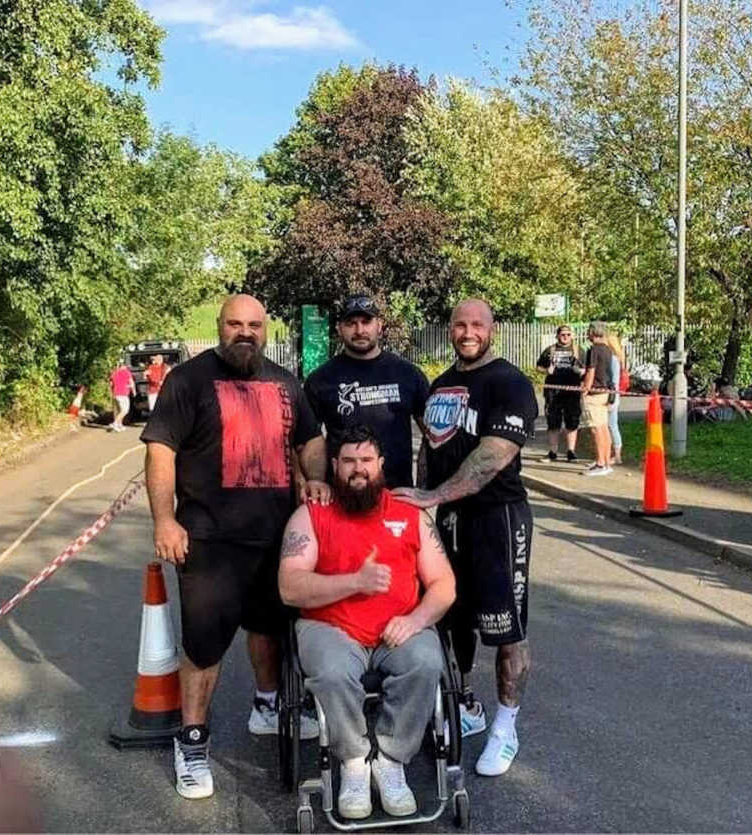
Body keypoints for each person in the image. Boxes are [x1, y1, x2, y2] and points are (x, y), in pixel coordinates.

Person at [141, 294, 331, 801]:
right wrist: (164, 519)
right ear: (219, 326)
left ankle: (267, 704)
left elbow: (311, 439)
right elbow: (161, 450)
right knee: (204, 647)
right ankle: (193, 741)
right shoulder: (188, 381)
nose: (244, 332)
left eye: (254, 324)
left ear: (265, 330)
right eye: (234, 323)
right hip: (208, 541)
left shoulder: (285, 383)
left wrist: (314, 478)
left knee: (269, 631)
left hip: (274, 538)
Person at [392, 298, 539, 779]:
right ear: (450, 329)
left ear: (492, 330)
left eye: (477, 324)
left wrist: (433, 496)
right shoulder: (440, 385)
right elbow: (430, 451)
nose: (468, 331)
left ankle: (506, 725)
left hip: (497, 519)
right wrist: (423, 501)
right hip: (448, 519)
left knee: (505, 628)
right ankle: (468, 704)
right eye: (460, 324)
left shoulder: (509, 383)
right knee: (451, 618)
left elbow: (491, 458)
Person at [278, 425, 455, 819]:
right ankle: (354, 762)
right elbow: (290, 587)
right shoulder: (311, 515)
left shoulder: (410, 514)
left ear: (381, 465)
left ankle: (391, 760)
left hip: (400, 626)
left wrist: (416, 620)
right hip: (330, 627)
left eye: (366, 461)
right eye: (349, 462)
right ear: (335, 467)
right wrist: (355, 582)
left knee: (426, 661)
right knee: (332, 671)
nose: (358, 470)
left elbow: (444, 585)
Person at [304, 295, 429, 489]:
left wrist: (424, 487)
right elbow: (305, 441)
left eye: (366, 322)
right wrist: (315, 482)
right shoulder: (320, 380)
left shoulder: (408, 374)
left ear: (379, 325)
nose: (359, 330)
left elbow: (432, 436)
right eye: (351, 323)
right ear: (339, 329)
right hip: (341, 497)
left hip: (397, 495)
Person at [535, 324, 584, 461]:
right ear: (557, 336)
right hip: (553, 391)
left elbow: (587, 368)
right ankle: (552, 452)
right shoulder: (550, 350)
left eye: (568, 334)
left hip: (572, 390)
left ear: (572, 336)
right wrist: (546, 370)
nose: (565, 337)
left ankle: (571, 452)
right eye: (563, 334)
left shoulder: (578, 350)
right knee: (553, 422)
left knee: (572, 421)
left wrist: (581, 372)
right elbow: (539, 366)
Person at [580, 322, 614, 476]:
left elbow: (590, 371)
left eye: (589, 331)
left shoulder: (593, 350)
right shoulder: (607, 349)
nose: (587, 333)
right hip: (605, 391)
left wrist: (585, 389)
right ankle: (606, 460)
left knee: (595, 429)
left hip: (594, 393)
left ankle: (601, 463)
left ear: (593, 333)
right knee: (604, 427)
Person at [604, 331, 626, 465]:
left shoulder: (612, 360)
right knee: (611, 425)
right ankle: (614, 454)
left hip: (611, 396)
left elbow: (613, 381)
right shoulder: (616, 359)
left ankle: (616, 455)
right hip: (613, 395)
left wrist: (610, 398)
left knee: (611, 425)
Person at [109, 359, 136, 432]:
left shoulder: (114, 373)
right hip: (123, 394)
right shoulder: (127, 372)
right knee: (125, 410)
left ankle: (119, 425)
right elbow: (132, 383)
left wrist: (111, 392)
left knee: (119, 410)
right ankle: (115, 423)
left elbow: (111, 384)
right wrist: (134, 391)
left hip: (116, 394)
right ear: (124, 366)